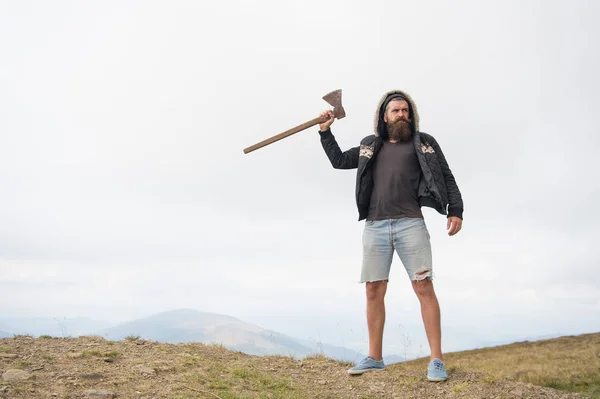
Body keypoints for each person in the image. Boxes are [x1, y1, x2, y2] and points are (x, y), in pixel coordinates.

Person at [317, 89, 463, 382]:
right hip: (375, 225)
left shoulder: (424, 144)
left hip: (411, 223)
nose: (401, 115)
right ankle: (375, 357)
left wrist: (455, 209)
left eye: (405, 111)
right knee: (373, 290)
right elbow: (339, 161)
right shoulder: (371, 145)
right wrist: (325, 132)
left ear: (411, 115)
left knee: (423, 287)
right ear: (384, 116)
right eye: (395, 111)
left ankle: (436, 360)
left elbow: (445, 174)